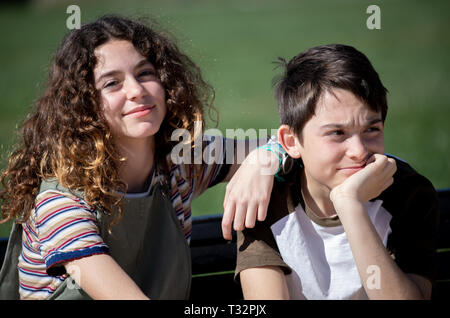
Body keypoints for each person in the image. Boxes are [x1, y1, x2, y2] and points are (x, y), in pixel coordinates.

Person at [0, 15, 277, 300]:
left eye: (145, 73)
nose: (136, 91)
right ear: (84, 106)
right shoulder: (61, 200)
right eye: (112, 83)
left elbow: (292, 145)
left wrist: (262, 160)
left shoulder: (181, 162)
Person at [234, 44, 440, 300]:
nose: (358, 150)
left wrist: (349, 205)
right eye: (337, 133)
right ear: (290, 141)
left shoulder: (407, 193)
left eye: (372, 129)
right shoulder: (264, 199)